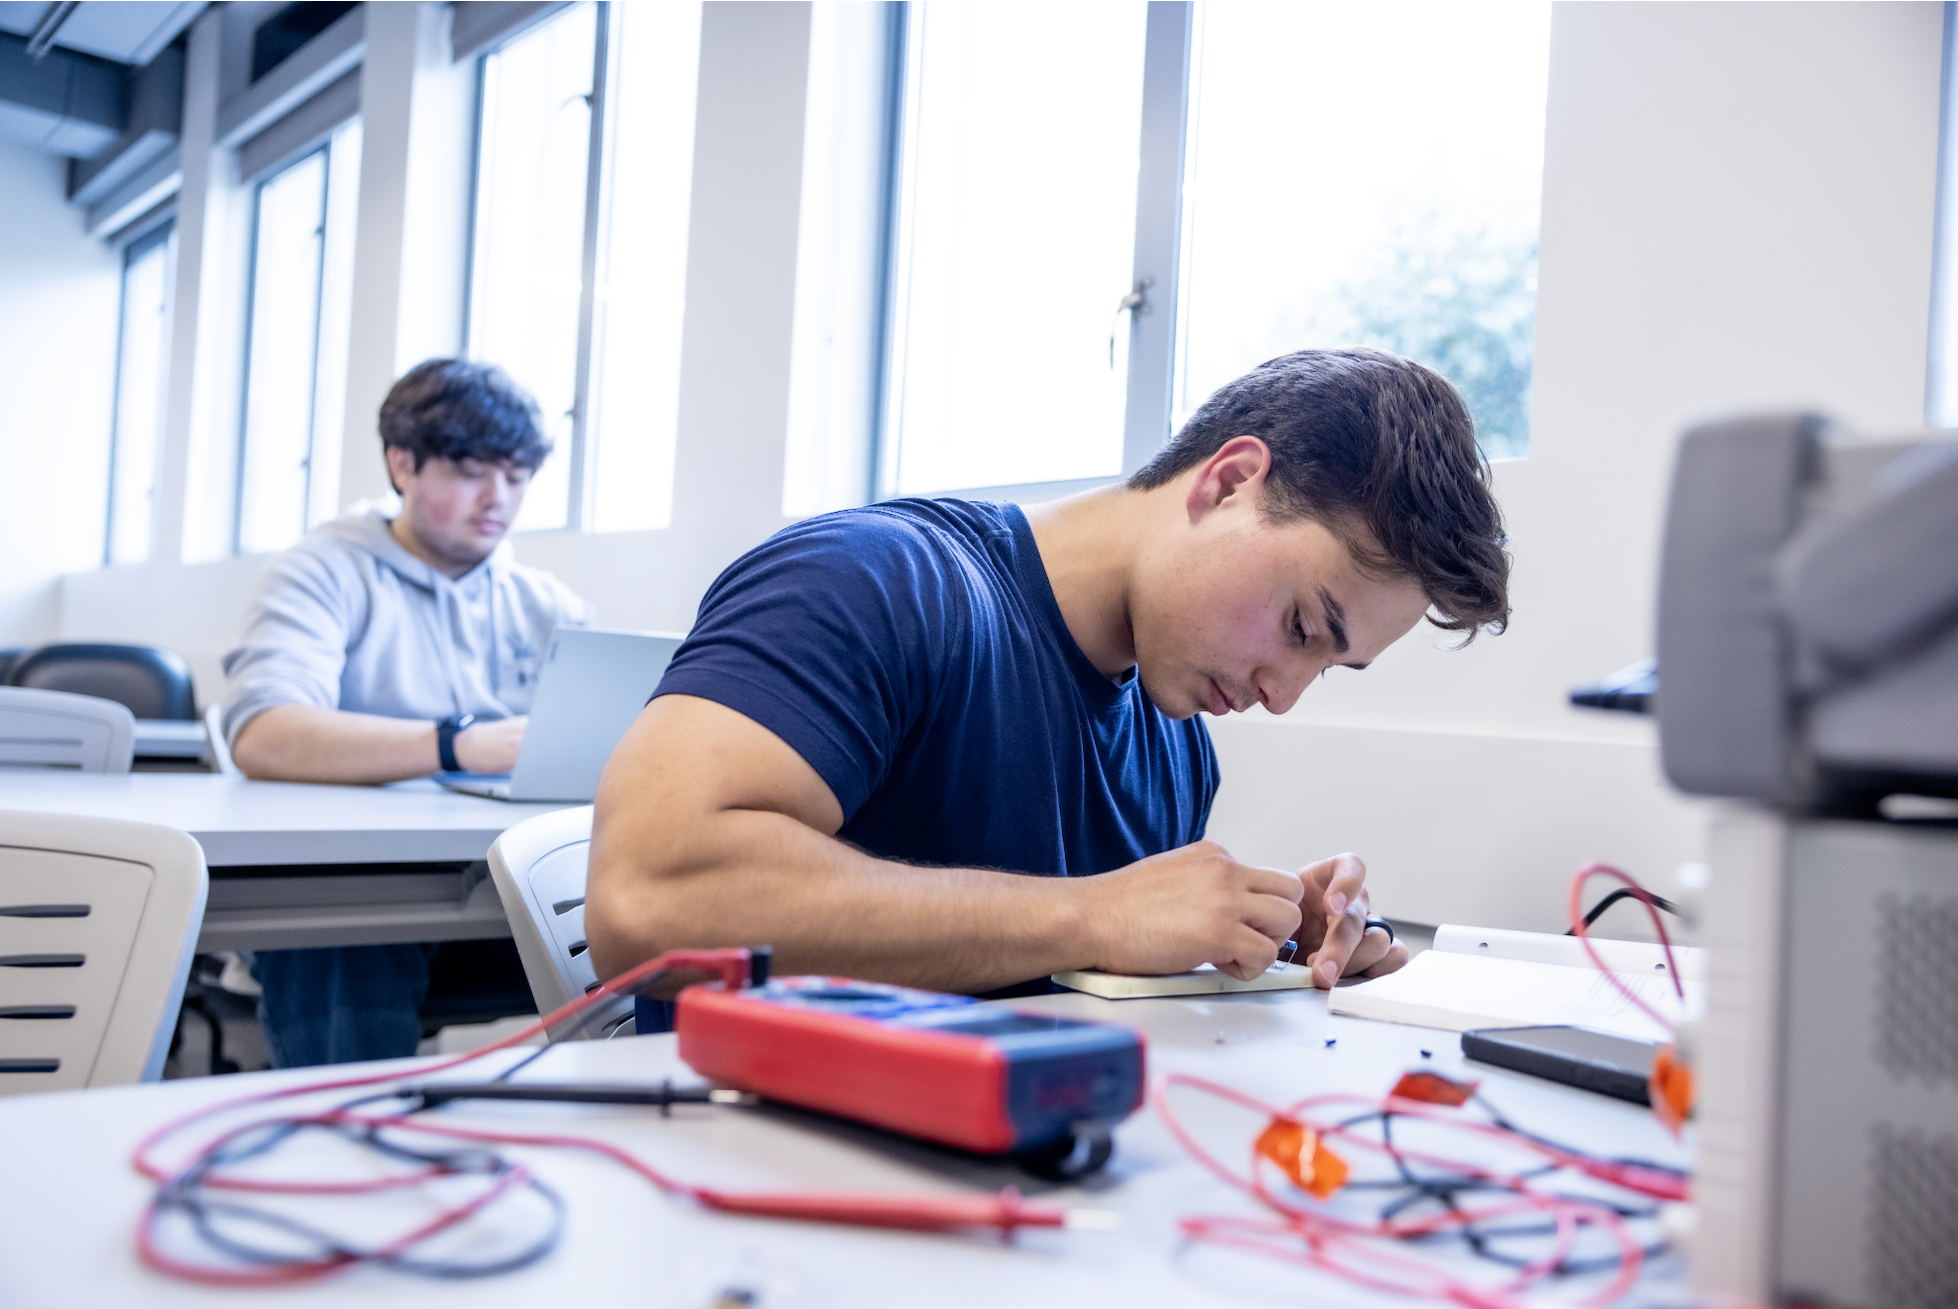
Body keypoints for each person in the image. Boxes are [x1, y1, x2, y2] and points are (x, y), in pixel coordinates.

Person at [585, 347, 1510, 1007]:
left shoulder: (1174, 741)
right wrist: (1094, 914)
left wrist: (1260, 944)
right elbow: (649, 899)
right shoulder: (875, 581)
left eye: (1329, 668)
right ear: (1227, 481)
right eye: (1303, 625)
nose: (1283, 693)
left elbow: (1048, 982)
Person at [222, 358, 590, 1066]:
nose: (498, 498)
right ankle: (347, 1154)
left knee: (683, 911)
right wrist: (458, 744)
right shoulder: (322, 572)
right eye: (471, 471)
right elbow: (265, 733)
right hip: (356, 888)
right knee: (339, 931)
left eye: (517, 476)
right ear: (402, 463)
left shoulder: (548, 604)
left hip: (509, 883)